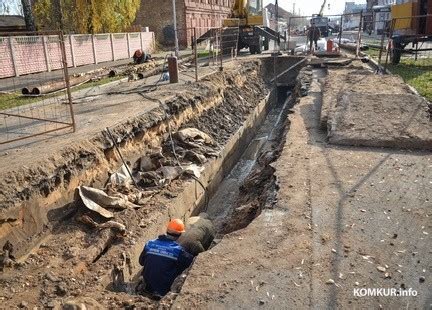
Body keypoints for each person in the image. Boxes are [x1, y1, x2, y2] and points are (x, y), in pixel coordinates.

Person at [139, 219, 193, 297]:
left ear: (167, 230)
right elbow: (190, 263)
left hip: (147, 288)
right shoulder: (178, 250)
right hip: (163, 291)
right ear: (179, 235)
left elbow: (141, 262)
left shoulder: (150, 243)